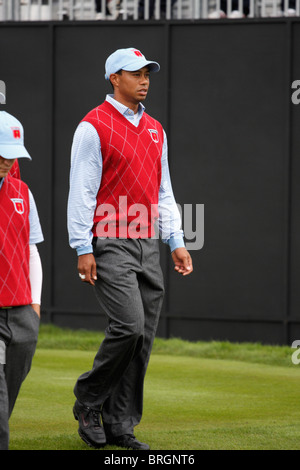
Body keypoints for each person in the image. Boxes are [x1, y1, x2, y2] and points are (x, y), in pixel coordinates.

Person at [67, 47, 193, 450]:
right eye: (135, 73)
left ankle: (121, 425)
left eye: (147, 73)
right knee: (129, 326)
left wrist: (176, 240)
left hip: (147, 244)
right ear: (113, 78)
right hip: (110, 242)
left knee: (144, 338)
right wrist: (82, 246)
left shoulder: (156, 129)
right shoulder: (93, 126)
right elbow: (82, 193)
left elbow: (164, 191)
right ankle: (89, 401)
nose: (144, 80)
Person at [0, 111, 43, 450]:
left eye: (12, 154)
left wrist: (35, 304)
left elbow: (30, 249)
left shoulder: (22, 191)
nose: (7, 161)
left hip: (21, 313)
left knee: (5, 404)